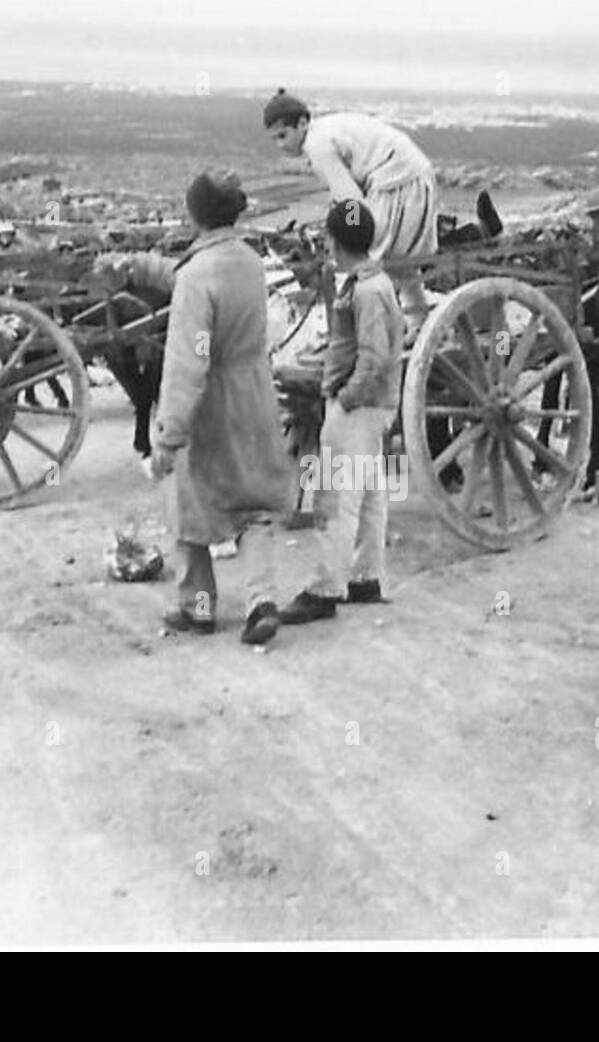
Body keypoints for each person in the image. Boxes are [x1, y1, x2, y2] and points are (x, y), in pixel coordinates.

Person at [101, 170, 293, 645]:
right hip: (254, 391)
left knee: (189, 503)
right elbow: (192, 274)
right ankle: (261, 602)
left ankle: (198, 607)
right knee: (256, 504)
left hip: (211, 403)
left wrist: (169, 435)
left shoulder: (196, 278)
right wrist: (139, 265)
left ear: (193, 215)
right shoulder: (247, 261)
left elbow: (189, 362)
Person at [279, 200, 405, 624]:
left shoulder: (366, 291)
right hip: (374, 408)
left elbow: (374, 359)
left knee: (335, 498)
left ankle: (325, 588)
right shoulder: (375, 283)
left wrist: (345, 398)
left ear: (335, 241)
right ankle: (366, 578)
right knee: (370, 495)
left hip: (357, 407)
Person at [263, 89, 437, 332]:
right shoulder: (322, 132)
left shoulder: (318, 146)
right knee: (400, 262)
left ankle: (375, 330)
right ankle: (418, 324)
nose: (281, 145)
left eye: (283, 135)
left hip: (396, 180)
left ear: (302, 123)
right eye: (274, 140)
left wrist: (350, 237)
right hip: (410, 173)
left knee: (373, 260)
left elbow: (351, 201)